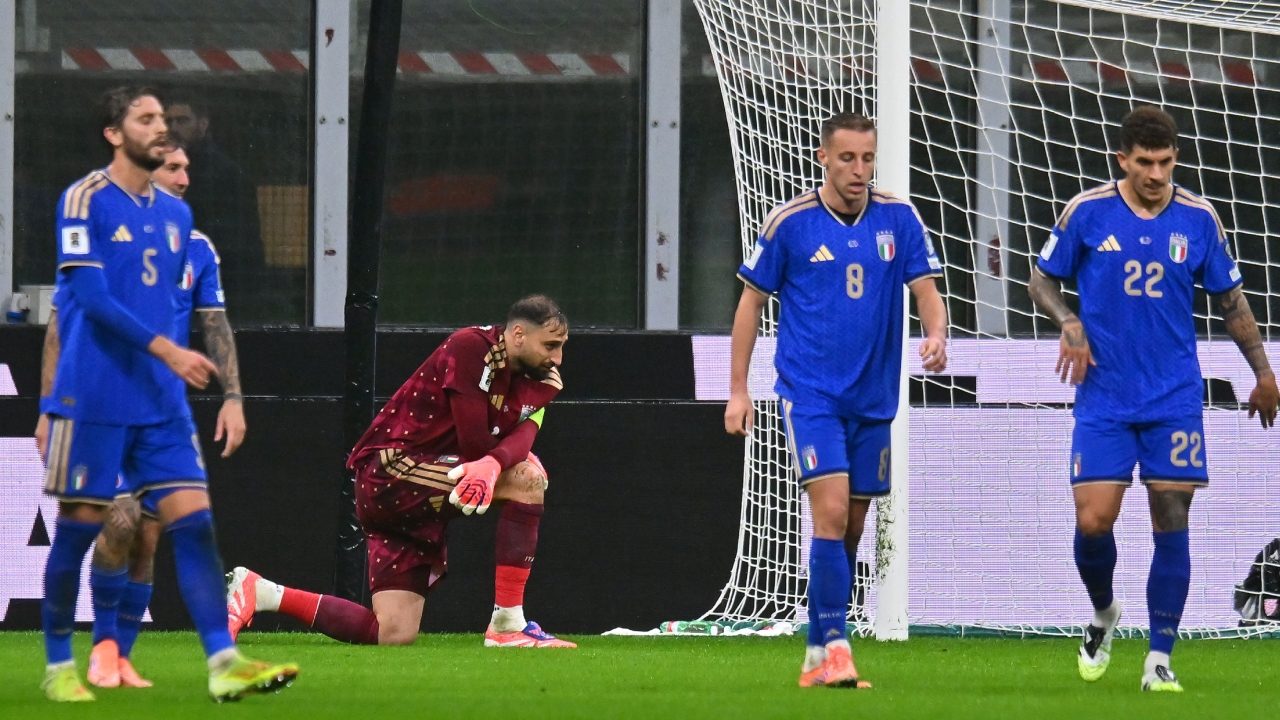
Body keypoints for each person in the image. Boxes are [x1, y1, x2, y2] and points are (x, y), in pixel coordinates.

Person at [36, 86, 295, 703]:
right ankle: (57, 666)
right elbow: (91, 302)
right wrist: (168, 351)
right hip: (93, 396)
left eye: (162, 119)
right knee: (78, 531)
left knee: (195, 524)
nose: (161, 128)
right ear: (112, 132)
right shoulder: (83, 199)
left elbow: (204, 317)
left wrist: (227, 391)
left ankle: (223, 661)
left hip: (160, 406)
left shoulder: (179, 219)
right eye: (145, 119)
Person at [1028, 105, 1278, 693]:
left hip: (1173, 397)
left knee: (1172, 518)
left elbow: (1232, 302)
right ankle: (1103, 612)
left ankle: (1159, 658)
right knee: (1094, 522)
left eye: (1165, 162)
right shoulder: (1087, 212)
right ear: (1123, 160)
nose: (1156, 174)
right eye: (1145, 163)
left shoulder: (1198, 218)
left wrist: (1264, 374)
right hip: (1105, 397)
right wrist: (1069, 321)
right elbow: (1041, 280)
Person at [723, 112, 948, 689]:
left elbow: (926, 288)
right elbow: (750, 304)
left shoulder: (898, 217)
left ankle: (814, 650)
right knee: (827, 513)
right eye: (847, 158)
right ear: (824, 158)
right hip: (811, 394)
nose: (859, 170)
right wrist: (738, 389)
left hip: (873, 400)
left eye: (868, 158)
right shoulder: (791, 224)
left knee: (849, 528)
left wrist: (937, 333)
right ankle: (839, 652)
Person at [226, 295, 574, 648]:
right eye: (550, 345)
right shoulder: (470, 347)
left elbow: (525, 434)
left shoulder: (547, 379)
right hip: (392, 473)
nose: (557, 357)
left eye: (561, 347)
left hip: (416, 496)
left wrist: (498, 460)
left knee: (392, 634)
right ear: (517, 334)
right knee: (527, 480)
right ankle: (507, 623)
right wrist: (501, 459)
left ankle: (262, 592)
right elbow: (475, 446)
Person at [164, 99, 264, 303]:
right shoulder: (157, 169)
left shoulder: (222, 173)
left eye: (182, 120)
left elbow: (239, 238)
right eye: (169, 121)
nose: (174, 128)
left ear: (202, 124)